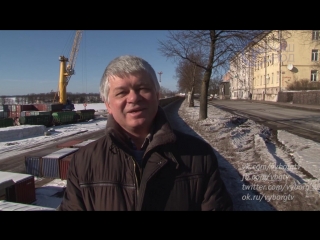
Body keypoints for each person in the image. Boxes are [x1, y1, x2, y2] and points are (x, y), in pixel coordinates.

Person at [57, 55, 233, 211]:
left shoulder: (199, 156)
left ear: (157, 96)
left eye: (143, 89)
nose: (133, 98)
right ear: (108, 104)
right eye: (121, 92)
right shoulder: (83, 163)